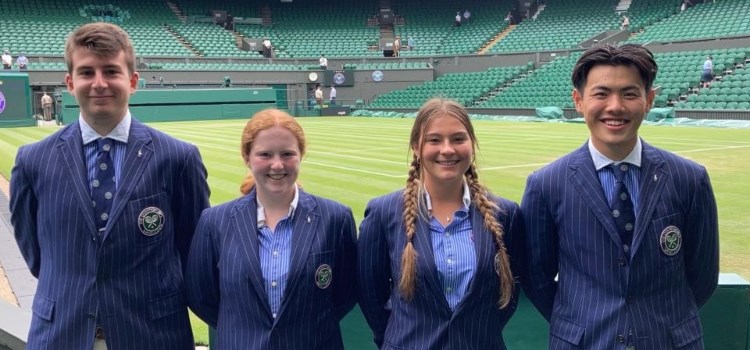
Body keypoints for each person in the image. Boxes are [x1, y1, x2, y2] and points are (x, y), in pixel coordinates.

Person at [9, 22, 210, 350]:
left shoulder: (178, 158)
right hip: (62, 335)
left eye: (111, 71)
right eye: (87, 72)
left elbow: (195, 256)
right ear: (70, 83)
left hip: (153, 336)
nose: (99, 83)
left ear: (132, 82)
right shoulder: (33, 161)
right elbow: (37, 255)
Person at [521, 44, 719, 349]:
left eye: (629, 93)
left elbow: (703, 276)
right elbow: (537, 279)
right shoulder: (546, 185)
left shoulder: (689, 179)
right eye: (601, 94)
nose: (615, 106)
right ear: (578, 101)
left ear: (649, 100)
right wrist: (581, 322)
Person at [358, 98, 524, 349]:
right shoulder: (384, 213)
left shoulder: (506, 213)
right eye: (434, 140)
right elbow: (370, 294)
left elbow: (509, 295)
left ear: (472, 144)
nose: (447, 149)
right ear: (416, 146)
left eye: (458, 139)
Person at [186, 109, 357, 349]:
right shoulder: (215, 221)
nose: (277, 165)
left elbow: (344, 294)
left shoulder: (336, 218)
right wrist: (245, 331)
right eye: (265, 154)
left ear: (301, 155)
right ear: (247, 157)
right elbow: (201, 296)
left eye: (287, 154)